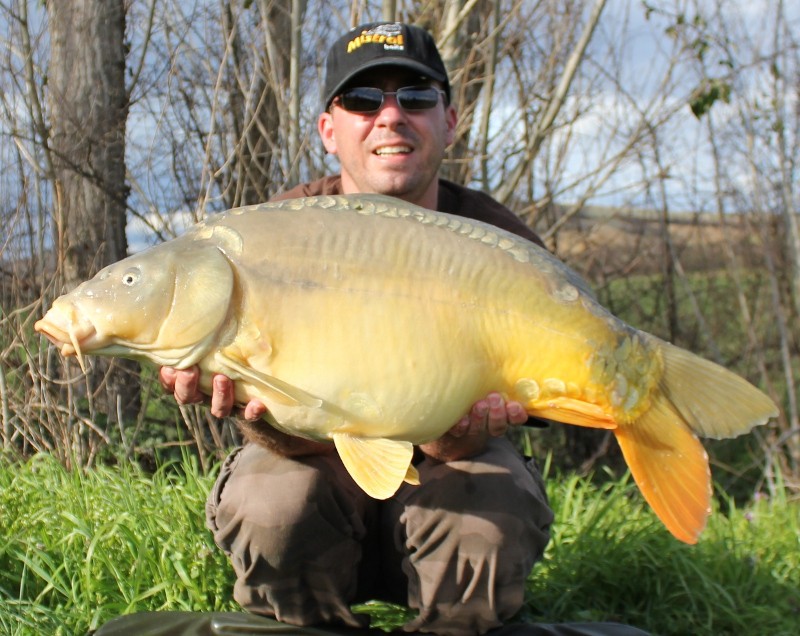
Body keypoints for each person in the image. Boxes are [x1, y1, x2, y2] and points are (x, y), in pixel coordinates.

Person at [159, 22, 649, 636]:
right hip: (324, 483)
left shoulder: (498, 244)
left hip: (448, 486)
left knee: (490, 510)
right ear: (328, 130)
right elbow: (294, 432)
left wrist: (459, 437)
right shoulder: (272, 234)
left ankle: (453, 625)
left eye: (414, 97)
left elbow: (512, 419)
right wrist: (259, 419)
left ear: (449, 119)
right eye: (364, 100)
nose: (390, 116)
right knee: (269, 503)